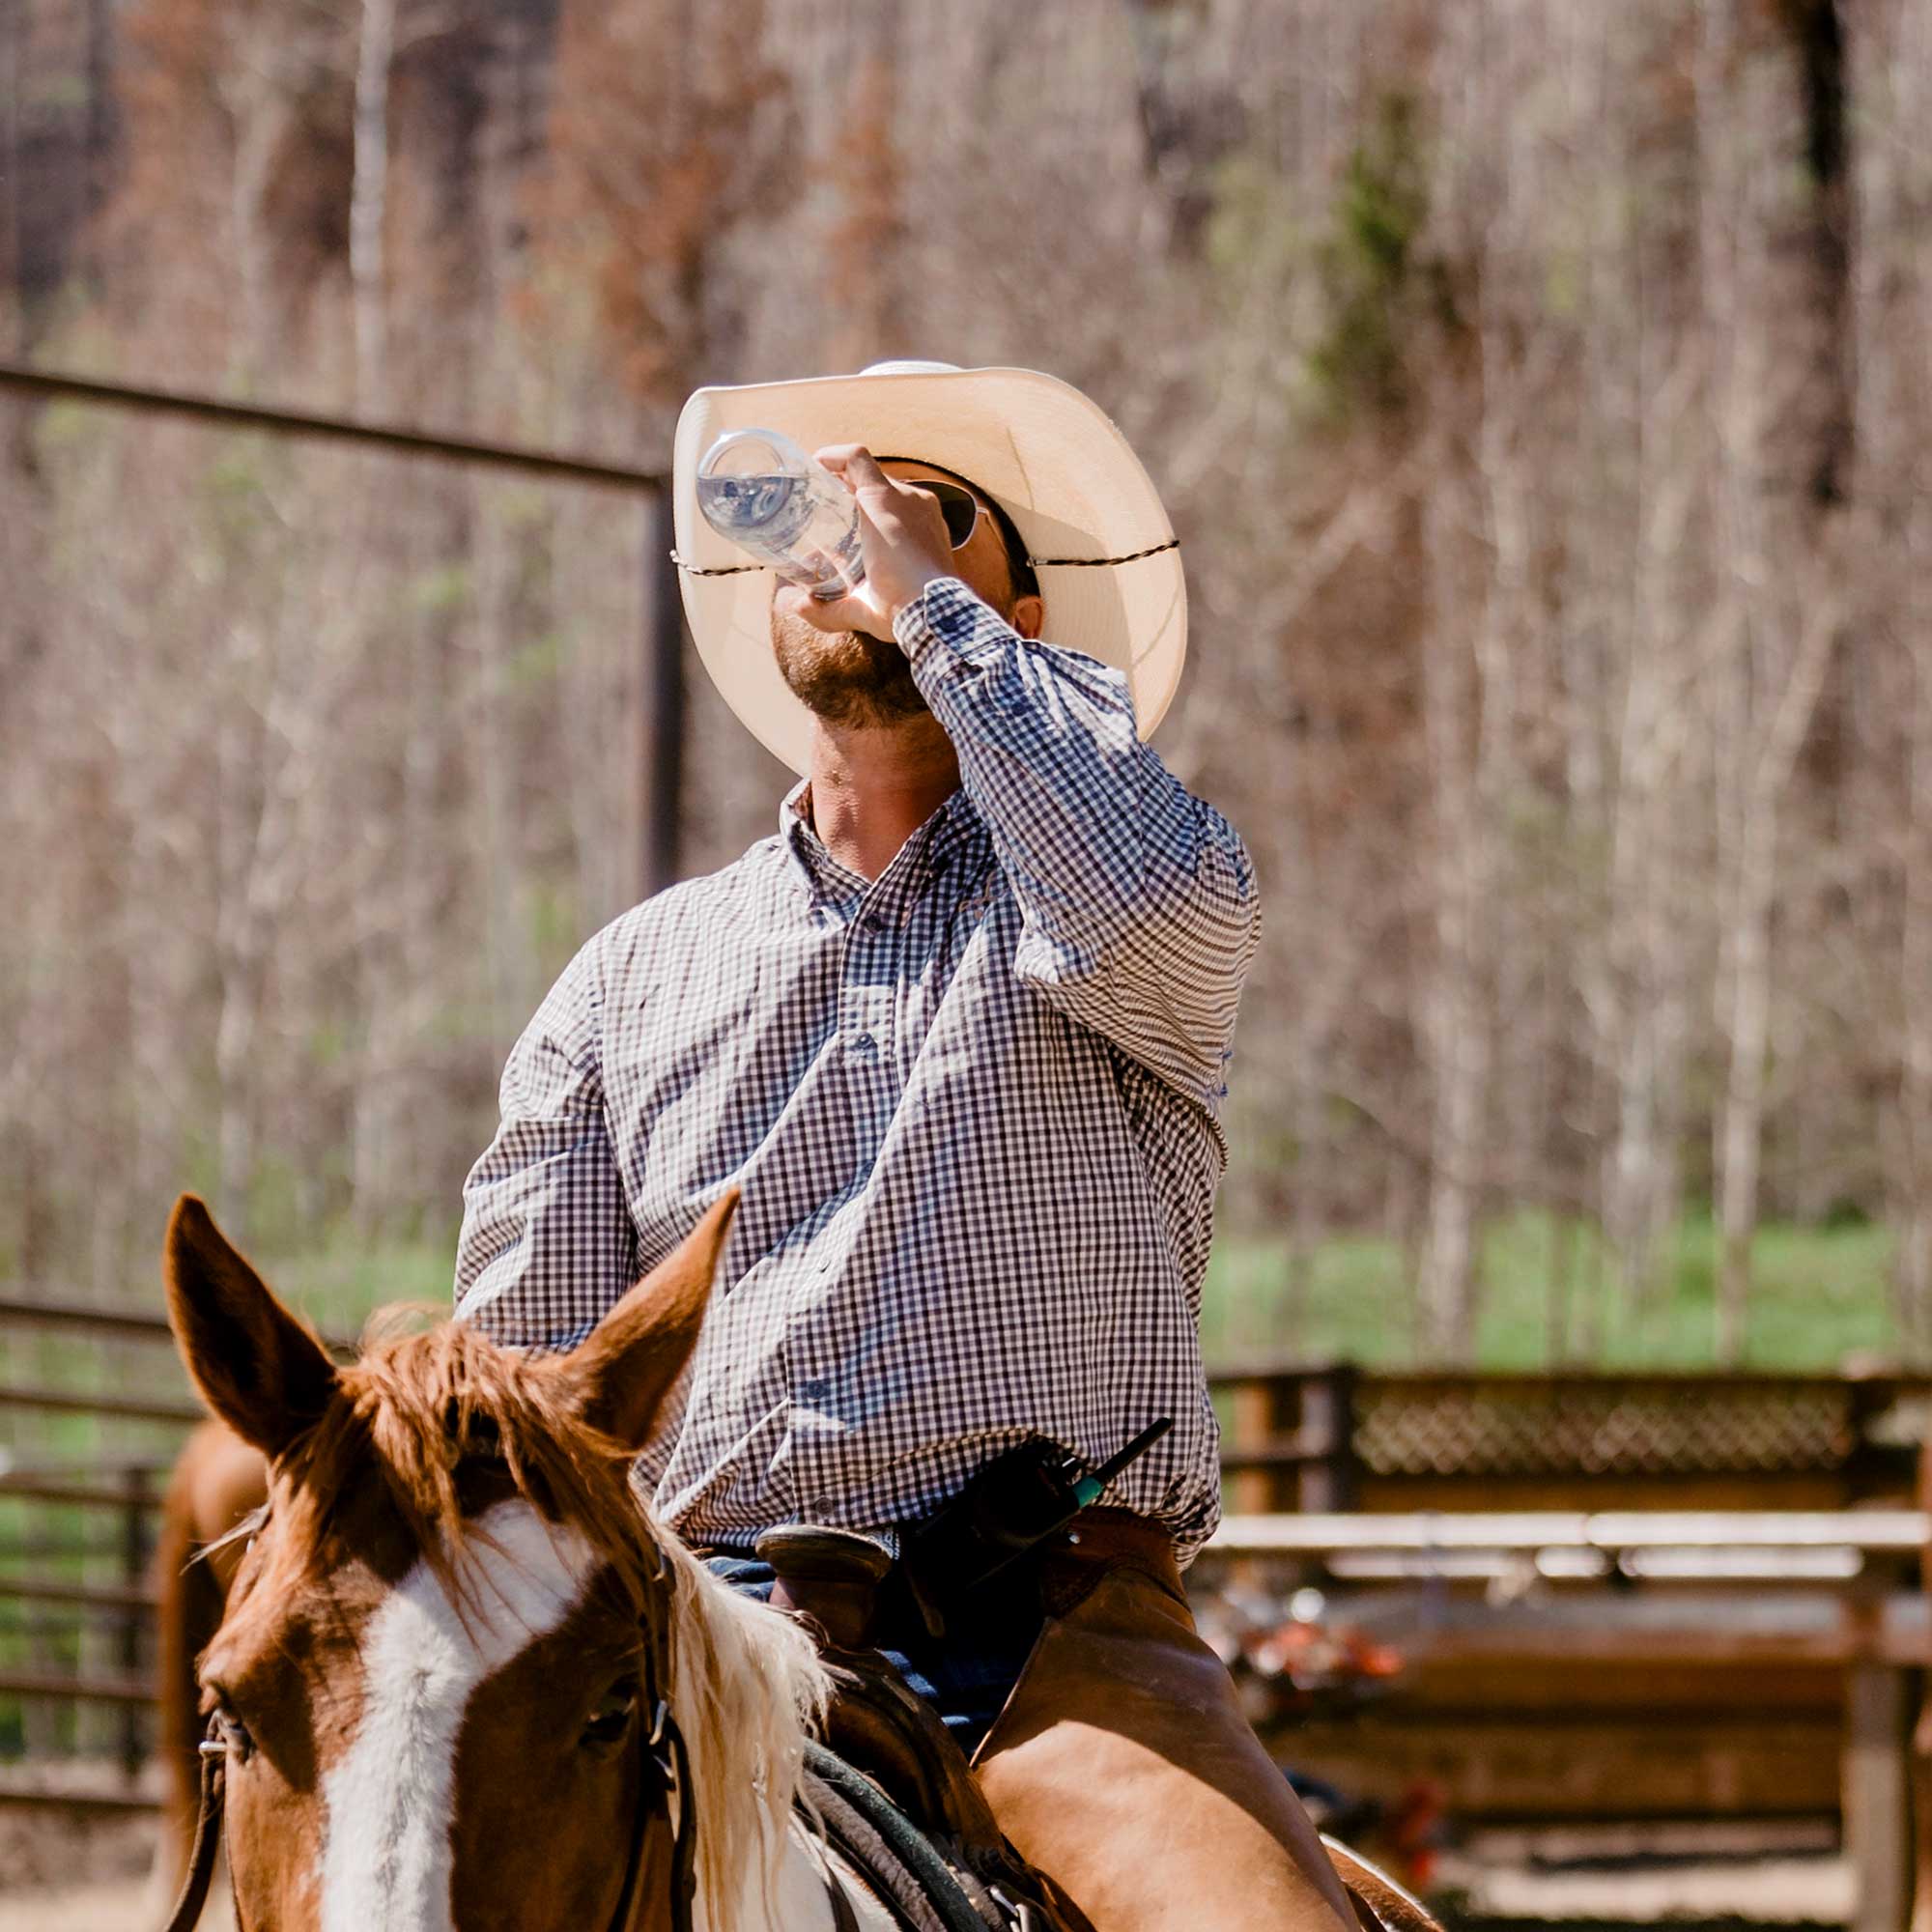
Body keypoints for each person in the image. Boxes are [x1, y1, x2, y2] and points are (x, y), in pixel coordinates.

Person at [454, 361, 1358, 1931]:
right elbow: (532, 1389)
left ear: (1018, 609)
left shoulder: (1132, 894)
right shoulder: (624, 979)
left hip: (1067, 1646)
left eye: (933, 517)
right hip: (706, 1652)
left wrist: (928, 605)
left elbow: (1135, 889)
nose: (853, 538)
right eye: (823, 512)